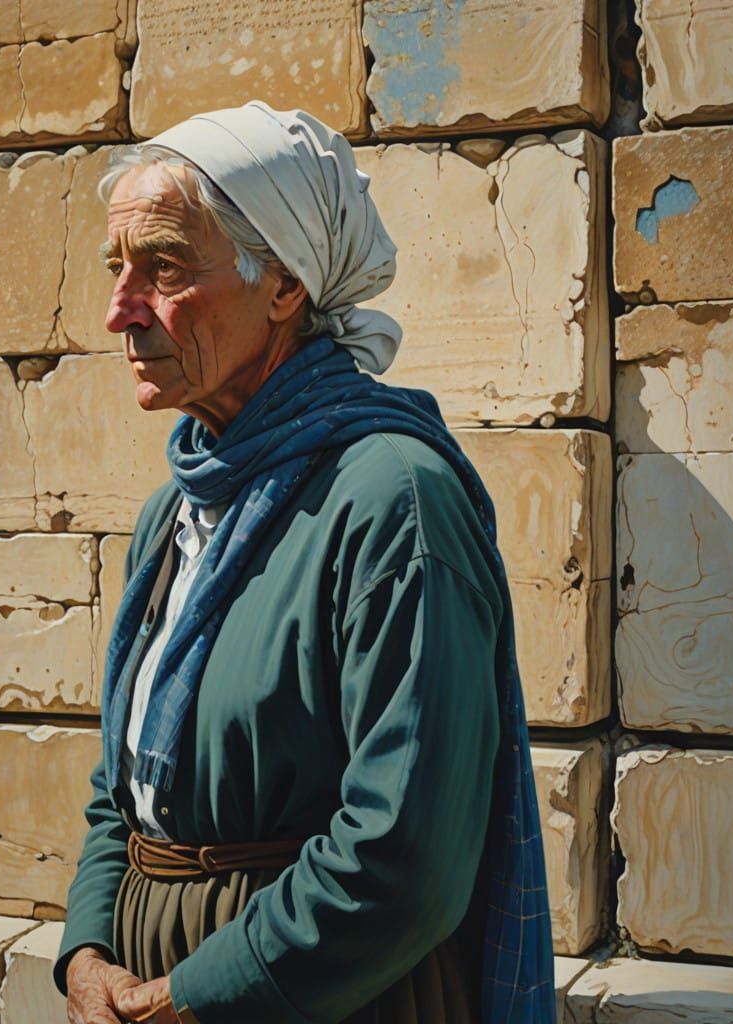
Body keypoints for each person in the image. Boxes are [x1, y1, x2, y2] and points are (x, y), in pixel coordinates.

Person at [52, 102, 554, 1024]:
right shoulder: (177, 512)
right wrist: (86, 956)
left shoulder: (391, 500)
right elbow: (121, 791)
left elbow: (403, 855)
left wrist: (195, 995)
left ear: (283, 285)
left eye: (162, 266)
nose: (119, 309)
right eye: (116, 268)